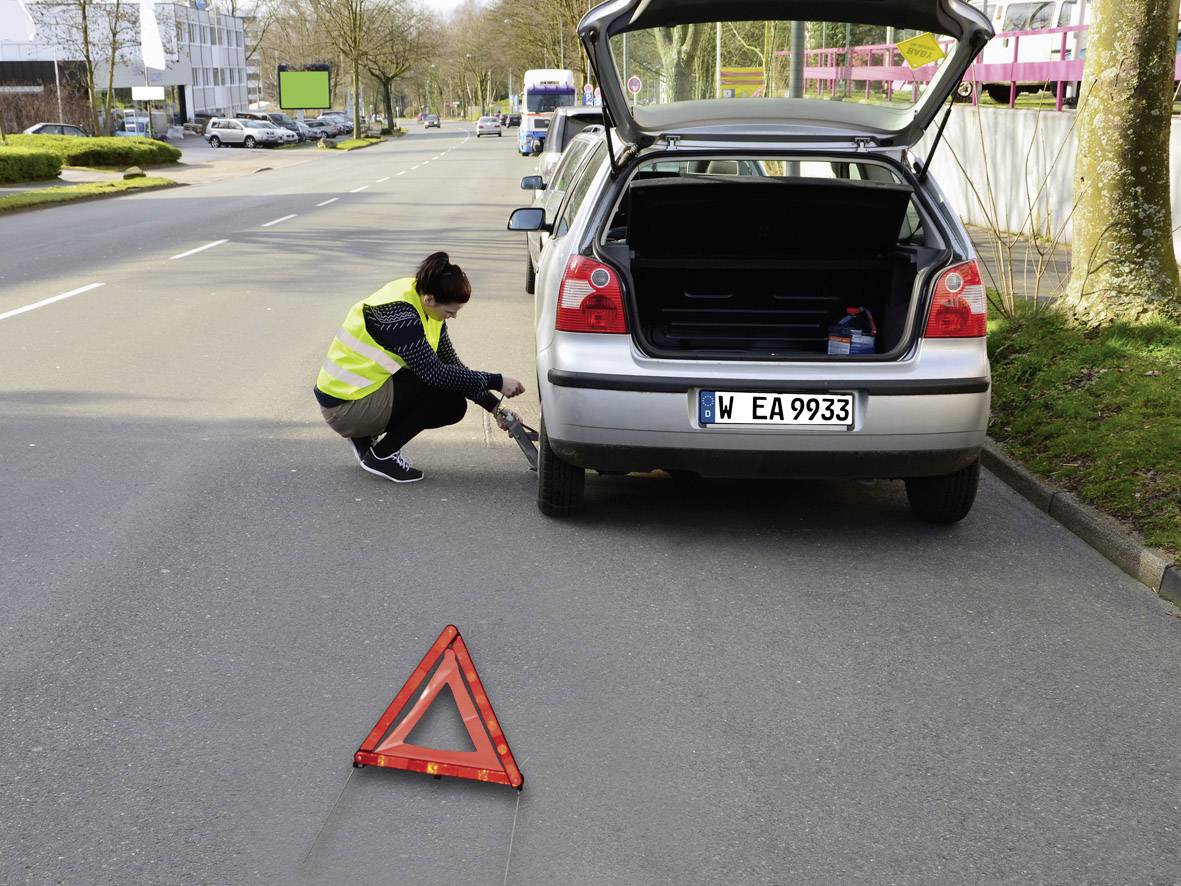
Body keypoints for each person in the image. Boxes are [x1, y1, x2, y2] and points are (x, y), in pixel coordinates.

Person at [314, 252, 525, 483]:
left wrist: (495, 408)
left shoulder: (420, 298)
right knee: (449, 403)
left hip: (355, 394)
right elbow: (436, 374)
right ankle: (382, 455)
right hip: (345, 408)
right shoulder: (399, 315)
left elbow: (452, 366)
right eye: (450, 311)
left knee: (445, 381)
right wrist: (497, 381)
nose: (453, 317)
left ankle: (363, 436)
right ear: (430, 300)